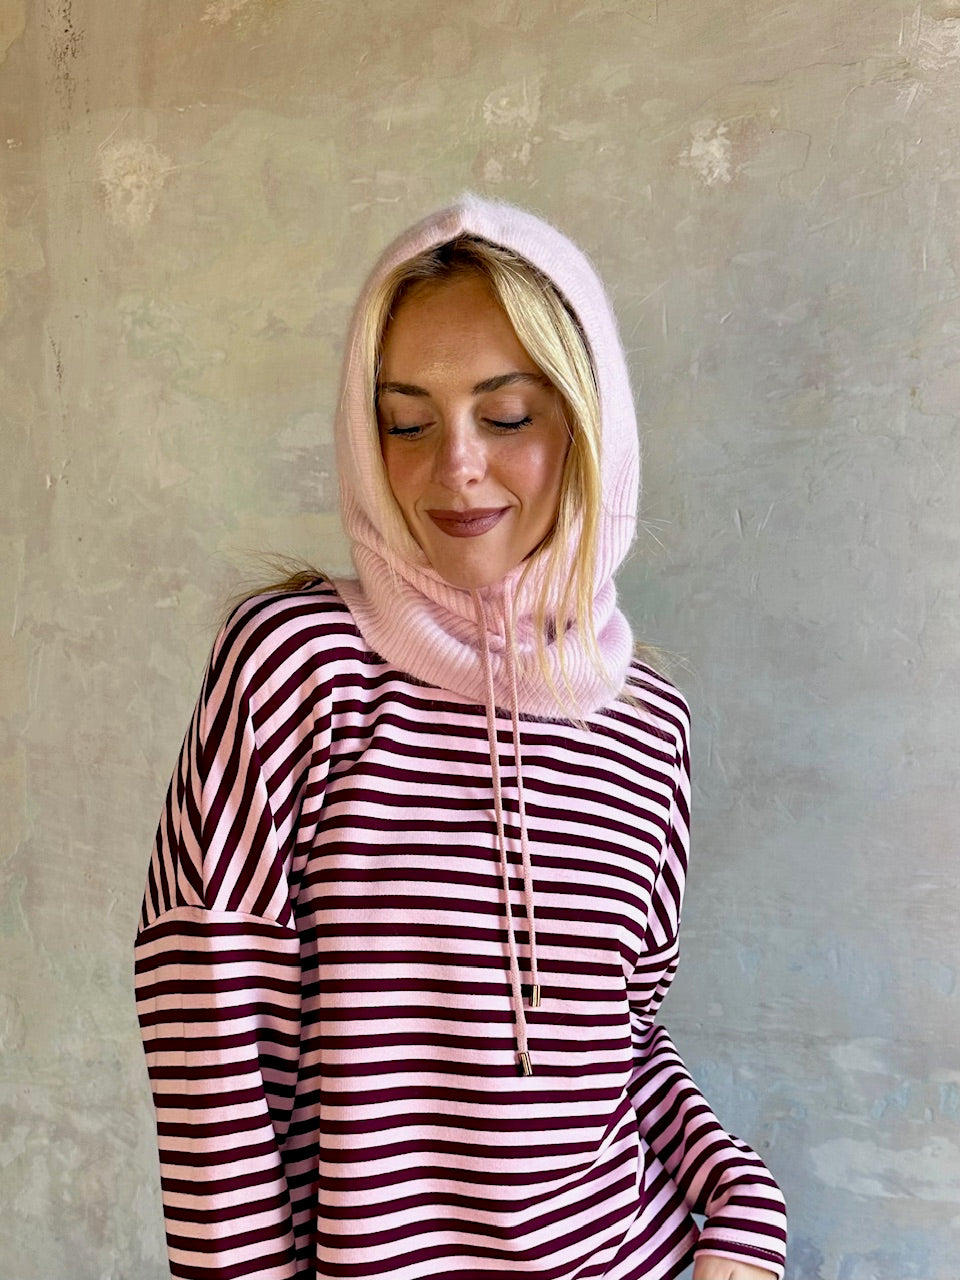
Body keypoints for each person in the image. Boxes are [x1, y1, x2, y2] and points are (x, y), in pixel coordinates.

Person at [134, 194, 788, 1280]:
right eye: (407, 422)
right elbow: (206, 1038)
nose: (456, 466)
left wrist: (743, 1205)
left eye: (509, 414)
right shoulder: (298, 667)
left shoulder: (646, 720)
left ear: (584, 420)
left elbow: (624, 1046)